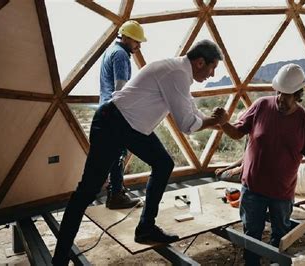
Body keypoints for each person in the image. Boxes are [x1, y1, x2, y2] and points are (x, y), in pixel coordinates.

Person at [52, 39, 227, 265]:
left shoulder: (178, 71)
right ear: (201, 62)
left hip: (128, 125)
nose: (212, 75)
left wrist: (214, 121)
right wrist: (215, 121)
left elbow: (192, 112)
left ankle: (146, 228)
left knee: (163, 164)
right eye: (213, 68)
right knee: (87, 191)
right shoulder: (177, 73)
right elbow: (186, 124)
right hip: (112, 123)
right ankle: (59, 257)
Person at [219, 64, 305, 265]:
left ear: (299, 94)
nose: (282, 99)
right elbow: (237, 133)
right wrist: (224, 123)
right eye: (280, 92)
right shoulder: (261, 106)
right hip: (253, 190)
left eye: (289, 94)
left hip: (282, 194)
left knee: (281, 237)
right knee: (251, 236)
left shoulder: (303, 121)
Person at [99, 20, 146, 210]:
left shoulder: (110, 51)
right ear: (125, 37)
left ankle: (115, 191)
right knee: (119, 153)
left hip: (105, 108)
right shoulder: (120, 55)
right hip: (116, 111)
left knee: (113, 153)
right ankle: (116, 195)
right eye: (136, 41)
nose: (139, 45)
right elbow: (120, 89)